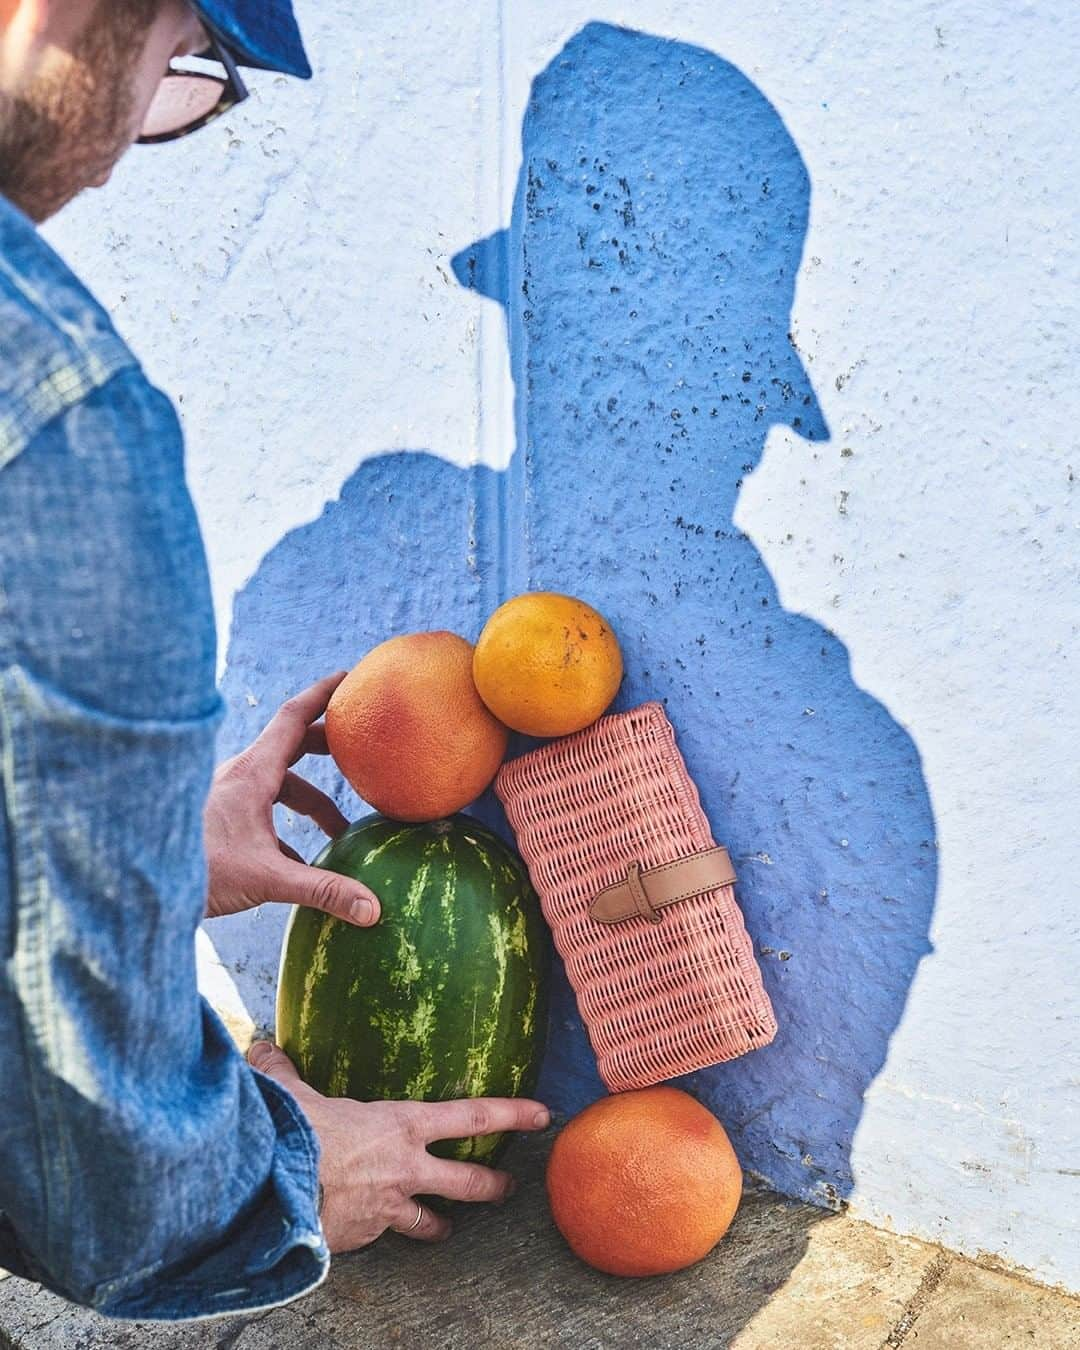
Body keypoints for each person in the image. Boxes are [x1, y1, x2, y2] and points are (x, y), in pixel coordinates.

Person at [0, 0, 549, 1323]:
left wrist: (134, 863)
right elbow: (105, 1187)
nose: (132, 144)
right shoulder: (68, 427)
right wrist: (292, 1164)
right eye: (185, 73)